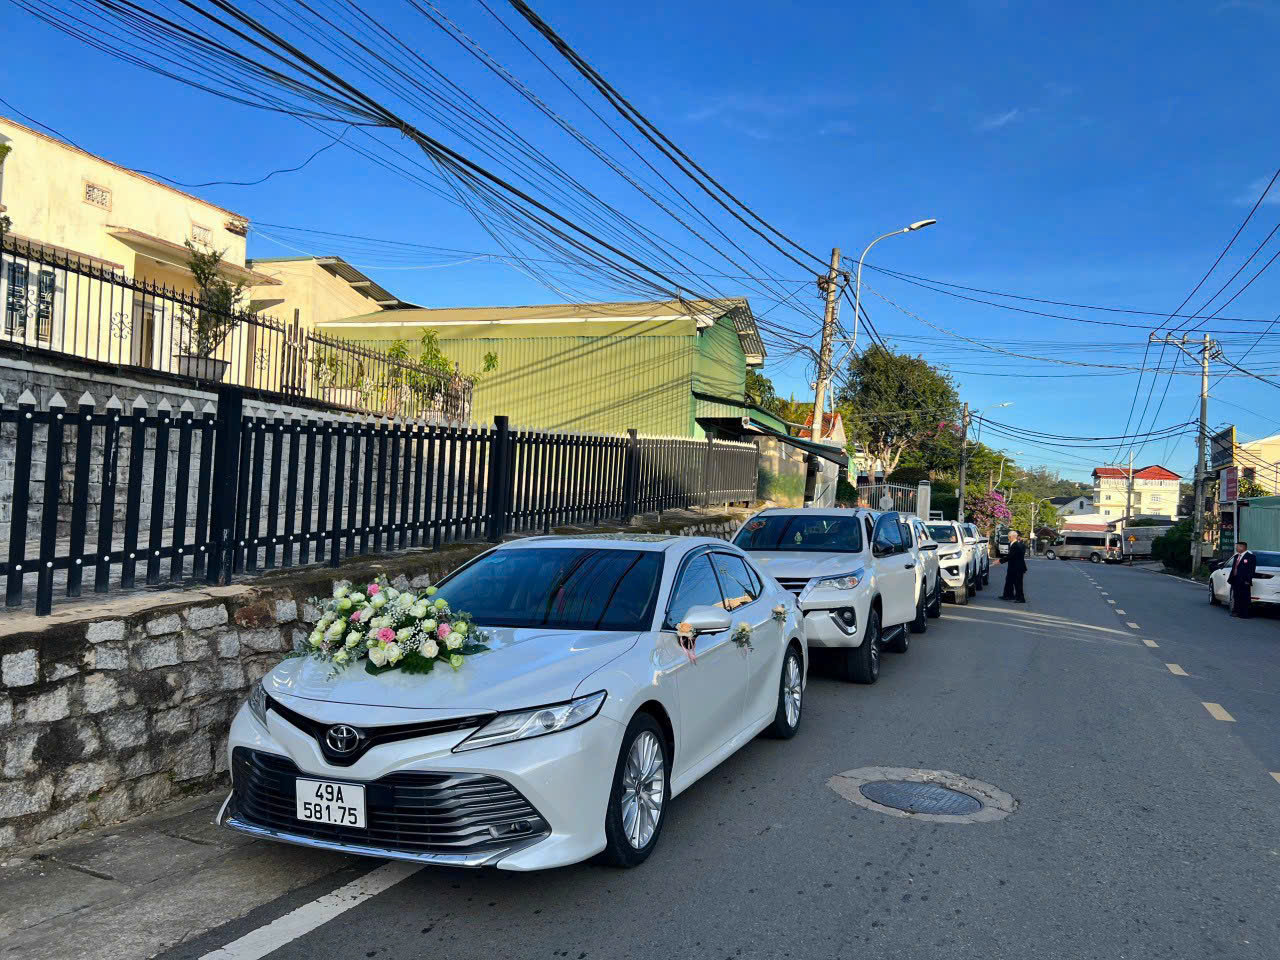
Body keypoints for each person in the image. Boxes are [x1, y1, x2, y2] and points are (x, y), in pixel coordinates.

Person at [1226, 540, 1256, 618]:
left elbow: (1251, 570)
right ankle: (1236, 612)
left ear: (1243, 547)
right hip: (1235, 580)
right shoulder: (1236, 556)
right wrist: (1231, 579)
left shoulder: (1251, 557)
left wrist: (1248, 580)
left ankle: (1244, 614)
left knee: (1245, 597)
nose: (1236, 548)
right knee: (1236, 596)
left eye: (1237, 547)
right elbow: (1234, 568)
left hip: (1244, 581)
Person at [1000, 529, 1027, 603]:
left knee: (1018, 583)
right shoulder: (1014, 544)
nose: (1008, 538)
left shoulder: (1018, 545)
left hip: (1017, 567)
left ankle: (1020, 598)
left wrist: (1000, 561)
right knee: (1009, 581)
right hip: (1013, 567)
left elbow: (1011, 556)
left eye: (1009, 536)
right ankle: (1008, 595)